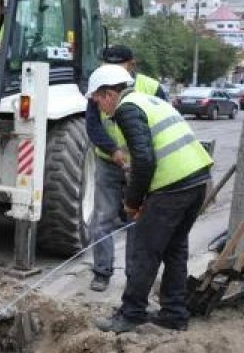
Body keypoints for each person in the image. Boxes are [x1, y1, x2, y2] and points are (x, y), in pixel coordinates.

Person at [86, 65, 213, 333]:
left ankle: (131, 314)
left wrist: (133, 202)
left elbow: (144, 160)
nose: (97, 104)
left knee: (144, 251)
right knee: (174, 249)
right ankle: (174, 313)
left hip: (173, 186)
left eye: (97, 98)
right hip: (197, 180)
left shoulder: (127, 109)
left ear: (110, 94)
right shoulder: (148, 100)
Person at [85, 45, 168, 292]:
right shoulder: (99, 87)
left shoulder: (151, 88)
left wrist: (137, 160)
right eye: (105, 64)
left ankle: (135, 275)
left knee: (136, 219)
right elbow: (93, 126)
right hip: (108, 162)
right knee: (101, 218)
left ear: (131, 64)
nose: (109, 70)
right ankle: (102, 271)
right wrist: (114, 151)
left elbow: (160, 122)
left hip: (141, 166)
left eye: (117, 65)